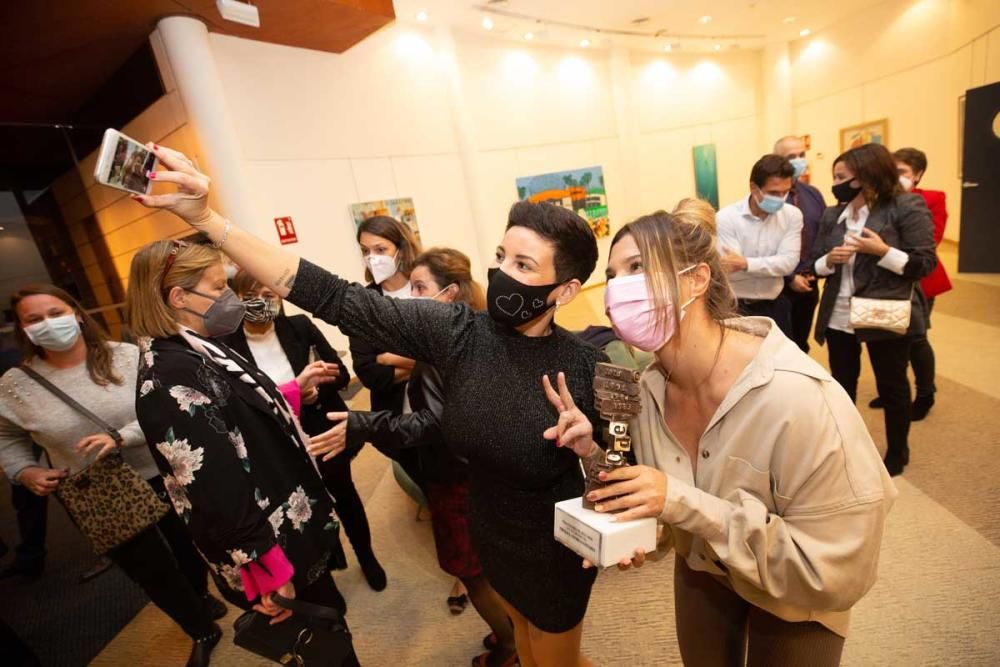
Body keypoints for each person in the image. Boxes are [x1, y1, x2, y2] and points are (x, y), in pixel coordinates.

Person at [133, 143, 605, 667]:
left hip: (553, 550)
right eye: (500, 257)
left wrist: (591, 452)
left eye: (523, 264)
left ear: (565, 291)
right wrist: (208, 218)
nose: (501, 273)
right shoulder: (458, 333)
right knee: (526, 646)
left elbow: (620, 469)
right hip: (490, 531)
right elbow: (332, 295)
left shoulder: (585, 368)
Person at [545, 198, 896, 667]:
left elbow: (835, 573)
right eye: (613, 275)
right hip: (704, 566)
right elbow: (665, 520)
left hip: (797, 592)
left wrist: (680, 502)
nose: (618, 288)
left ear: (695, 279)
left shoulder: (802, 400)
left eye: (638, 267)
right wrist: (609, 490)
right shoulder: (646, 393)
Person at [125, 239, 360, 666]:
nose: (230, 299)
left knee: (331, 625)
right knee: (323, 645)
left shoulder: (198, 347)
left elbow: (234, 419)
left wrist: (290, 394)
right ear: (179, 298)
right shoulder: (166, 377)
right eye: (218, 288)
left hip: (288, 522)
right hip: (271, 544)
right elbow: (214, 484)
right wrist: (265, 570)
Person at [310, 247, 518, 667]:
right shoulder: (475, 332)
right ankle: (513, 637)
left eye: (420, 288)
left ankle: (512, 650)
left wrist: (362, 424)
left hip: (457, 479)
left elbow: (431, 424)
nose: (410, 298)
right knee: (493, 568)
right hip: (481, 471)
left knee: (472, 573)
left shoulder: (446, 349)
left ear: (450, 293)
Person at [0, 284, 225, 667]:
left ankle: (200, 596)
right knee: (148, 568)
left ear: (77, 314)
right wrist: (25, 470)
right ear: (21, 330)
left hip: (162, 471)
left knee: (190, 546)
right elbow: (7, 436)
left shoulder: (126, 356)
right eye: (34, 320)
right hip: (96, 490)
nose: (48, 324)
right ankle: (200, 628)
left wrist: (121, 436)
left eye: (55, 312)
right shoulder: (14, 386)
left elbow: (165, 406)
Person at [222, 271, 387, 591]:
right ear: (237, 300)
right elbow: (239, 400)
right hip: (275, 440)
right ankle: (329, 554)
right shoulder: (229, 345)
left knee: (344, 494)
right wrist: (292, 392)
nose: (263, 300)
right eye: (252, 294)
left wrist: (317, 387)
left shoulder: (298, 327)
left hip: (319, 429)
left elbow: (341, 376)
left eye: (270, 293)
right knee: (305, 504)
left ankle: (366, 556)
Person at [811, 143, 936, 475]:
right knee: (842, 385)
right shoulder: (832, 213)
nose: (836, 183)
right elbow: (815, 263)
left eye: (843, 176)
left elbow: (924, 263)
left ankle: (898, 451)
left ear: (867, 175)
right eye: (834, 176)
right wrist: (828, 260)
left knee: (891, 384)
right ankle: (846, 446)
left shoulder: (906, 206)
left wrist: (882, 251)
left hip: (882, 309)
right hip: (838, 311)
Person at [869, 147, 951, 420]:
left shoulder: (931, 199)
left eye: (903, 172)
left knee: (916, 339)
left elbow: (930, 241)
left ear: (918, 175)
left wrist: (884, 247)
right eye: (893, 170)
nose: (896, 177)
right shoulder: (878, 199)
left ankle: (925, 392)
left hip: (921, 280)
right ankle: (894, 387)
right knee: (890, 339)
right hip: (885, 280)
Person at [716, 154, 803, 338]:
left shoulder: (792, 215)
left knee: (779, 362)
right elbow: (730, 266)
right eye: (773, 193)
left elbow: (788, 264)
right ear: (754, 188)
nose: (781, 198)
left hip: (775, 305)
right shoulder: (726, 218)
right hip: (736, 307)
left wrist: (746, 263)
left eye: (785, 192)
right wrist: (770, 265)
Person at [774, 136, 827, 352]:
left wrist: (814, 270)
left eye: (801, 155)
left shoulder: (812, 194)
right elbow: (764, 243)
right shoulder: (770, 198)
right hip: (779, 285)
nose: (798, 161)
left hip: (810, 283)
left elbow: (823, 233)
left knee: (801, 344)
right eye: (791, 156)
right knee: (782, 346)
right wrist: (790, 277)